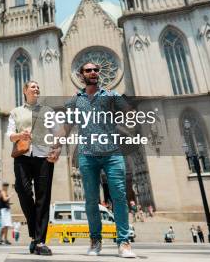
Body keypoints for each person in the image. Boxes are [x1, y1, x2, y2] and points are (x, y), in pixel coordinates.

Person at [64, 62, 136, 258]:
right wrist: (55, 147)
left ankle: (124, 243)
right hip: (87, 155)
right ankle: (95, 241)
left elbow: (130, 114)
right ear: (81, 76)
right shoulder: (75, 100)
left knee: (119, 197)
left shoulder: (111, 95)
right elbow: (68, 125)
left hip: (112, 153)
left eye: (96, 70)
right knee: (91, 201)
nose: (94, 72)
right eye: (89, 70)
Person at [8, 80, 59, 256]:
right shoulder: (16, 112)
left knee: (43, 198)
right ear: (25, 91)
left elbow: (56, 133)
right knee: (22, 190)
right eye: (32, 87)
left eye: (38, 87)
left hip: (44, 157)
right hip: (23, 155)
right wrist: (19, 135)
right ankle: (34, 232)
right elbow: (10, 134)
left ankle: (39, 241)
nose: (36, 89)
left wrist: (57, 150)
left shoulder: (48, 111)